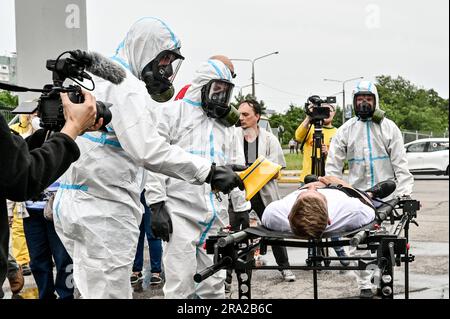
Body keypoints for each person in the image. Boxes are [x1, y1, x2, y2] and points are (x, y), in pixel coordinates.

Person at [53, 18, 243, 299]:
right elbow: (148, 150)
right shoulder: (125, 85)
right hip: (104, 208)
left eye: (169, 64)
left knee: (95, 290)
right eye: (163, 60)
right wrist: (209, 172)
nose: (165, 71)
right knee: (112, 294)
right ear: (146, 48)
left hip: (79, 202)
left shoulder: (102, 75)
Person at [149, 56, 250, 299]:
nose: (220, 97)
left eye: (226, 91)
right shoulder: (172, 113)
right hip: (179, 214)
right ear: (202, 86)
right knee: (179, 285)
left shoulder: (226, 126)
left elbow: (233, 171)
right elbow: (154, 160)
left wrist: (242, 206)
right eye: (217, 89)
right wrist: (156, 204)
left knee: (214, 284)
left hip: (216, 216)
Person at [0, 90, 99, 299]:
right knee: (38, 261)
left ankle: (66, 295)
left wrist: (58, 135)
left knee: (64, 260)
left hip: (55, 210)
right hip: (32, 211)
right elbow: (21, 174)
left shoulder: (47, 138)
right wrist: (70, 130)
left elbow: (17, 165)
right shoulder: (29, 136)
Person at [325, 80, 414, 298]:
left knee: (385, 243)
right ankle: (364, 284)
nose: (364, 103)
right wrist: (336, 193)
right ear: (354, 102)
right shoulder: (346, 130)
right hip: (357, 197)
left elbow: (401, 165)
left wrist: (404, 194)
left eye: (368, 98)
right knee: (359, 243)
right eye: (360, 99)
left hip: (386, 197)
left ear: (375, 101)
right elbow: (333, 166)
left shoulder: (388, 127)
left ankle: (384, 280)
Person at [231, 98, 296, 283]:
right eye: (239, 114)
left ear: (257, 117)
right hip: (239, 192)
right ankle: (234, 274)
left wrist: (253, 174)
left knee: (274, 229)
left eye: (246, 115)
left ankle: (285, 268)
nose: (241, 118)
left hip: (263, 192)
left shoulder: (269, 139)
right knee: (235, 233)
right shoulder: (232, 135)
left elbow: (275, 169)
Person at [294, 103, 349, 265]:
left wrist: (329, 152)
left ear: (334, 113)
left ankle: (340, 252)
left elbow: (342, 159)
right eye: (321, 109)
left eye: (329, 110)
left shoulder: (338, 132)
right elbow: (298, 136)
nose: (325, 113)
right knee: (308, 218)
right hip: (308, 178)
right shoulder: (310, 128)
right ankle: (313, 255)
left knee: (330, 217)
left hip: (327, 179)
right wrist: (308, 116)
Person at [261, 175, 395, 237]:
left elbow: (311, 189)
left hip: (308, 186)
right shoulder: (353, 212)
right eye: (318, 195)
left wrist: (308, 188)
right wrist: (342, 184)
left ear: (289, 215)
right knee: (370, 195)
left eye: (307, 194)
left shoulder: (274, 214)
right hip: (338, 189)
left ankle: (313, 181)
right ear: (329, 219)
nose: (313, 188)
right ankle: (372, 191)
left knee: (311, 180)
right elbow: (368, 205)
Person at [130, 188, 163, 287]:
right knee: (153, 235)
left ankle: (136, 271)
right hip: (150, 191)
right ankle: (155, 273)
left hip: (135, 190)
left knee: (137, 234)